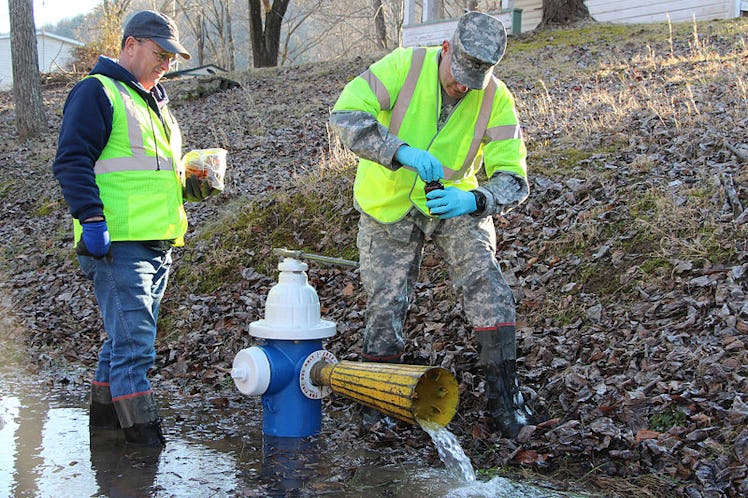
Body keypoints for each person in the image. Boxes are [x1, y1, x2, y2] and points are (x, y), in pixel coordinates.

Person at [329, 11, 537, 438]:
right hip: (387, 203)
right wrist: (398, 150)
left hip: (453, 203)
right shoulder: (403, 65)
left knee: (487, 282)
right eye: (458, 75)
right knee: (386, 300)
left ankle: (506, 401)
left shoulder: (497, 98)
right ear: (445, 50)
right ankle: (378, 400)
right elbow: (346, 113)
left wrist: (475, 199)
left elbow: (513, 178)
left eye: (472, 81)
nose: (462, 86)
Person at [52, 10, 218, 447]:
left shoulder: (156, 101)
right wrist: (90, 219)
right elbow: (71, 160)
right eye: (160, 53)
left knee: (120, 343)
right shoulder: (97, 92)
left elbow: (152, 176)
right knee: (135, 348)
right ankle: (144, 453)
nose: (167, 63)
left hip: (157, 240)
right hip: (117, 244)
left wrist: (193, 186)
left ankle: (105, 436)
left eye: (172, 57)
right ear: (130, 45)